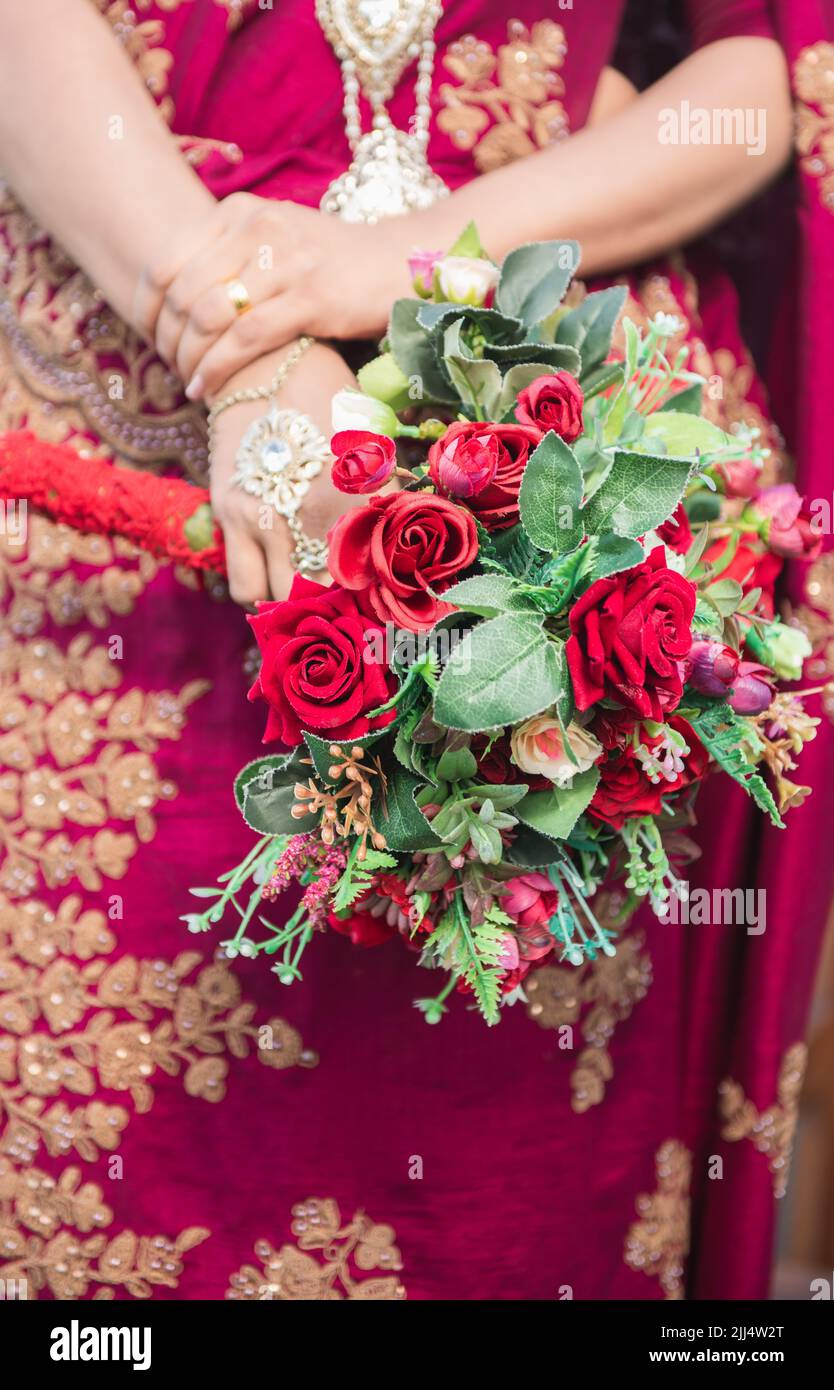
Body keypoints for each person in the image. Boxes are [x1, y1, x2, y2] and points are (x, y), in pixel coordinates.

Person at [0, 0, 830, 1301]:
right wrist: (241, 343)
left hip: (559, 482)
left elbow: (753, 83)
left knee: (502, 1213)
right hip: (116, 475)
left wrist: (382, 266)